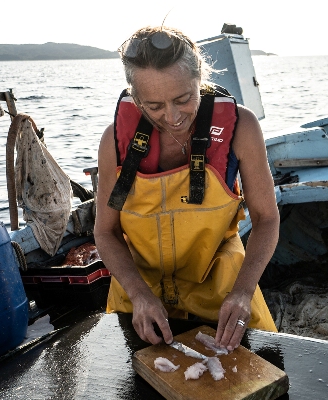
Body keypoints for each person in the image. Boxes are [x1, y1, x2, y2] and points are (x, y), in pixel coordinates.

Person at [94, 25, 279, 351]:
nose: (173, 116)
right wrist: (138, 295)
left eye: (184, 99)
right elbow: (105, 232)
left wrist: (243, 292)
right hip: (141, 301)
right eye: (154, 106)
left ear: (200, 79)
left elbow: (266, 218)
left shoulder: (242, 128)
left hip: (223, 296)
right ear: (135, 97)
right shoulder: (114, 142)